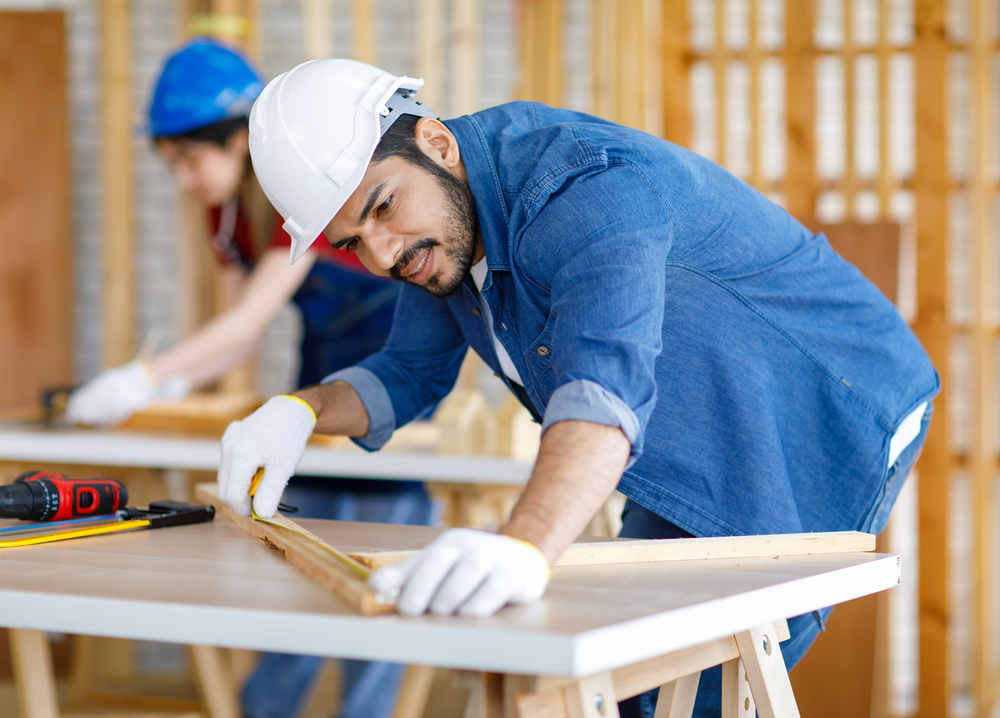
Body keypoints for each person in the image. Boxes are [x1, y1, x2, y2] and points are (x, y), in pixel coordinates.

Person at [217, 58, 940, 718]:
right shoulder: (440, 231)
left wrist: (524, 544)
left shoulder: (583, 188)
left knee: (699, 685)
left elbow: (604, 390)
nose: (381, 253)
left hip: (830, 400)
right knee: (628, 680)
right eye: (350, 243)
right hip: (707, 419)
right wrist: (296, 411)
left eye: (380, 207)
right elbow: (407, 372)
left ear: (435, 142)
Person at [64, 41, 432, 718]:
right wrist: (172, 384)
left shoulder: (307, 187)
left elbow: (241, 328)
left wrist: (141, 377)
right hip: (318, 364)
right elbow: (241, 327)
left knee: (383, 575)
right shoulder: (226, 212)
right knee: (292, 563)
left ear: (242, 141)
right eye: (172, 164)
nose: (184, 180)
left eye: (191, 160)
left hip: (391, 359)